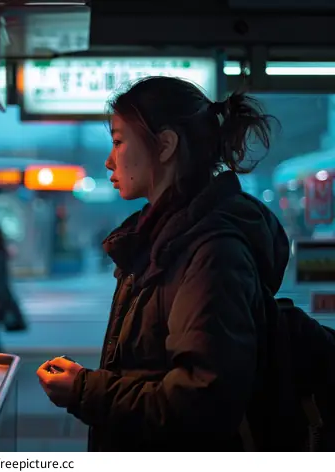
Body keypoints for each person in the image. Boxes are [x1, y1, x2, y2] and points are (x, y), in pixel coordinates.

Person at [37, 76, 290, 451]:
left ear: (166, 145)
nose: (109, 159)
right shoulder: (162, 240)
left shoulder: (211, 254)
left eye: (119, 141)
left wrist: (84, 390)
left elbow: (202, 403)